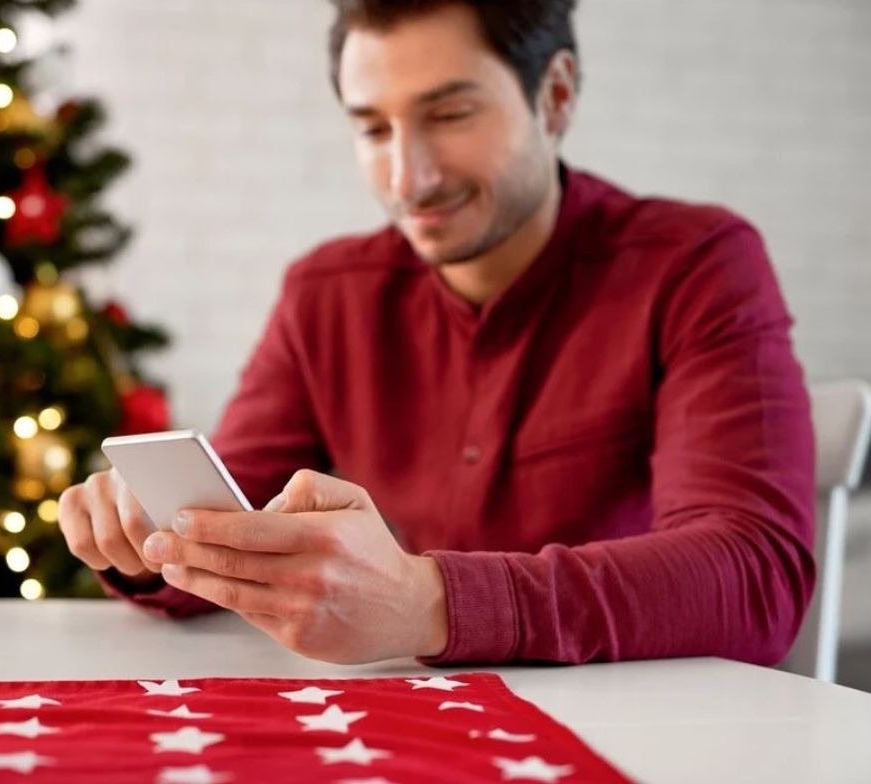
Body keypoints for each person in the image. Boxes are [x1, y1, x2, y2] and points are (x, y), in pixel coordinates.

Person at [57, 0, 815, 667]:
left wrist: (430, 604)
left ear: (555, 97)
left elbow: (754, 577)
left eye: (449, 115)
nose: (407, 177)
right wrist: (150, 539)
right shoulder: (325, 294)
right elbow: (238, 527)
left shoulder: (697, 265)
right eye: (373, 128)